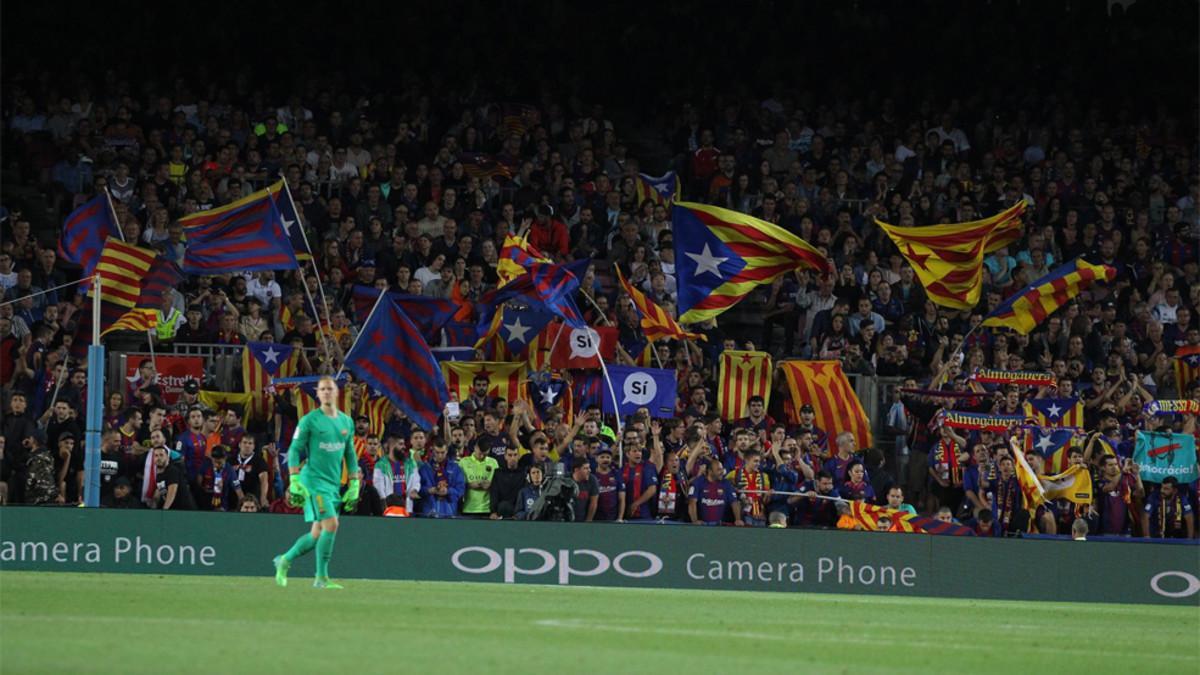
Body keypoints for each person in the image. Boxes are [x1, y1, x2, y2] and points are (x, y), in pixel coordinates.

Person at [273, 376, 360, 590]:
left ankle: (284, 560)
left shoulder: (346, 422)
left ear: (337, 392)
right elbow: (294, 450)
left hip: (332, 484)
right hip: (313, 481)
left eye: (330, 388)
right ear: (318, 394)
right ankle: (321, 578)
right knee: (332, 524)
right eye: (322, 389)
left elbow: (350, 453)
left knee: (317, 534)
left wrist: (354, 483)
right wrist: (294, 478)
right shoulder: (309, 420)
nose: (327, 392)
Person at [688, 457, 739, 525]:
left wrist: (738, 519)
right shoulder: (698, 482)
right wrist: (694, 521)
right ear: (710, 471)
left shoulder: (726, 484)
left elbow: (734, 503)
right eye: (718, 470)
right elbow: (692, 503)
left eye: (722, 469)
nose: (722, 472)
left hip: (722, 526)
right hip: (703, 526)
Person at [459, 439, 499, 517]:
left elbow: (499, 484)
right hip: (469, 508)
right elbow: (457, 484)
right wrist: (468, 485)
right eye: (480, 453)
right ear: (475, 448)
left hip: (487, 509)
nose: (481, 456)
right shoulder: (463, 462)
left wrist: (491, 484)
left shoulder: (493, 462)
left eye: (485, 454)